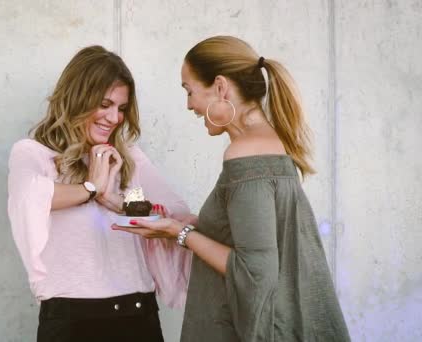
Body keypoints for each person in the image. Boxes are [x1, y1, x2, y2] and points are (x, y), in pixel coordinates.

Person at [113, 36, 351, 341]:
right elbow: (257, 237)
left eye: (189, 91)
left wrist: (180, 234)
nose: (189, 105)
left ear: (221, 87)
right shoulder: (268, 144)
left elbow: (256, 272)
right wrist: (195, 224)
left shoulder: (247, 154)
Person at [7, 45, 193, 342]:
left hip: (137, 315)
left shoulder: (128, 158)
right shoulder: (34, 154)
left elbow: (170, 215)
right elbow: (30, 200)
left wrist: (119, 202)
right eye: (105, 104)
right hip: (69, 321)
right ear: (77, 97)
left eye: (121, 108)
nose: (114, 117)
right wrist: (90, 188)